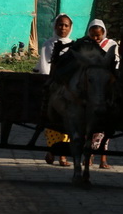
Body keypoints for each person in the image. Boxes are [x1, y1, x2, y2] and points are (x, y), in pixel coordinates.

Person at [34, 13, 73, 166]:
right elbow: (45, 65)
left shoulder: (74, 46)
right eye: (60, 25)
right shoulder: (48, 44)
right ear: (55, 26)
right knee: (51, 120)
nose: (62, 28)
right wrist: (49, 83)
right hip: (52, 86)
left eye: (66, 25)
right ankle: (51, 150)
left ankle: (63, 155)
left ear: (70, 28)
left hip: (68, 87)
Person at [86, 18, 119, 169]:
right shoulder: (85, 45)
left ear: (104, 33)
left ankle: (103, 159)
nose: (95, 38)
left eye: (98, 35)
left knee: (104, 127)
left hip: (106, 86)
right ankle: (89, 155)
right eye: (92, 35)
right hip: (89, 85)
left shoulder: (111, 45)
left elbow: (116, 63)